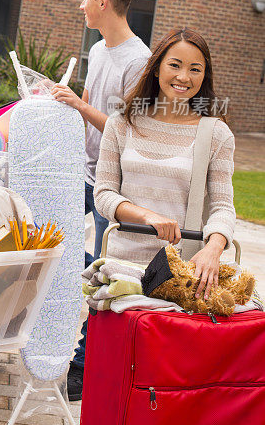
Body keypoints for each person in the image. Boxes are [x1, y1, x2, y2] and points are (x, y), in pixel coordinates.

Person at [51, 0, 151, 399]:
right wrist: (65, 102)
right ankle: (58, 345)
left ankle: (84, 361)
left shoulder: (138, 60)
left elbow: (128, 130)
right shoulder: (98, 49)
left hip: (113, 182)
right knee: (59, 250)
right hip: (82, 168)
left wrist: (79, 106)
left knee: (100, 268)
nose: (82, 5)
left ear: (104, 3)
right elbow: (92, 108)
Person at [94, 28, 235, 298]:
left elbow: (223, 207)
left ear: (204, 76)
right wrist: (148, 216)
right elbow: (103, 194)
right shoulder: (121, 124)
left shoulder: (216, 134)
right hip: (120, 270)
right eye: (175, 65)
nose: (184, 77)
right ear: (157, 68)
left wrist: (213, 248)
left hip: (180, 275)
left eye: (195, 69)